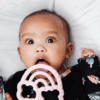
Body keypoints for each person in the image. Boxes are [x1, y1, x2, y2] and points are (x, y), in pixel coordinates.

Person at [4, 10, 100, 100]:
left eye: (50, 40)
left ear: (67, 51)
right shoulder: (16, 82)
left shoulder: (79, 76)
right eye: (30, 41)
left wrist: (90, 68)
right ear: (20, 54)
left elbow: (96, 94)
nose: (39, 48)